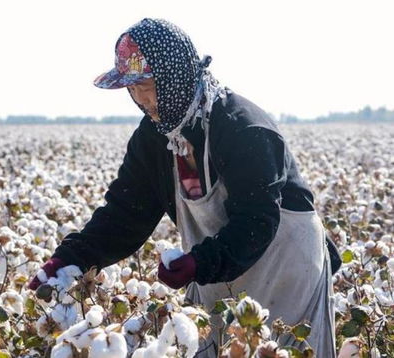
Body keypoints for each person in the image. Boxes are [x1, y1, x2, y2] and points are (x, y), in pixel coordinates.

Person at [29, 18, 337, 357]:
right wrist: (69, 259)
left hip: (285, 268)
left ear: (173, 76)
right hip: (219, 268)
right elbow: (125, 214)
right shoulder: (155, 137)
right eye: (131, 89)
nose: (140, 99)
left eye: (146, 85)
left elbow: (256, 221)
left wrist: (200, 263)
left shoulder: (244, 128)